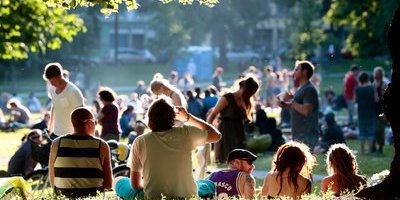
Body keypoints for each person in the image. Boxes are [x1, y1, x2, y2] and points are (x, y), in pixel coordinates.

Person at [114, 97, 221, 199]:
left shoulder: (140, 141)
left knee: (118, 180)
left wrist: (151, 187)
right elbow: (216, 135)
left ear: (149, 118)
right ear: (173, 118)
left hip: (153, 197)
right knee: (207, 184)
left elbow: (136, 185)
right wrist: (188, 117)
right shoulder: (186, 133)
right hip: (188, 195)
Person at [49, 107, 113, 198]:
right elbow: (108, 184)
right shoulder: (101, 145)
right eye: (95, 122)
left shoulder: (57, 143)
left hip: (63, 197)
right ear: (90, 123)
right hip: (92, 198)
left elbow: (53, 182)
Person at [207, 76, 259, 163]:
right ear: (246, 89)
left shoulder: (246, 101)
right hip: (225, 131)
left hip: (238, 132)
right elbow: (213, 114)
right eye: (251, 92)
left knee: (240, 160)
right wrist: (208, 132)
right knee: (228, 160)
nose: (251, 95)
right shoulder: (227, 98)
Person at [279, 60, 319, 149]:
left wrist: (291, 100)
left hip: (306, 135)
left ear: (304, 72)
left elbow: (306, 111)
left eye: (296, 70)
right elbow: (296, 106)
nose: (294, 72)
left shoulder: (309, 89)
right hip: (299, 134)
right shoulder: (301, 89)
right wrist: (285, 105)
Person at [43, 62, 84, 139]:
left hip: (71, 135)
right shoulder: (52, 89)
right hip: (56, 133)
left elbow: (82, 115)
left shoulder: (73, 92)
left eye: (53, 81)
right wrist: (50, 128)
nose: (51, 84)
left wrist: (79, 135)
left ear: (60, 76)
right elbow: (54, 108)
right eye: (50, 82)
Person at [355, 71, 377, 154]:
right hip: (371, 112)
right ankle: (370, 150)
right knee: (371, 133)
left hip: (361, 113)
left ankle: (362, 150)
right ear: (367, 79)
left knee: (362, 133)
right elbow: (376, 99)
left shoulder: (357, 89)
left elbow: (355, 100)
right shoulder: (372, 88)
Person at [373, 66, 388, 154]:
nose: (375, 75)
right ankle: (374, 147)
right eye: (375, 73)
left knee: (380, 129)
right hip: (374, 110)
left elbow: (381, 100)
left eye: (377, 74)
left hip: (381, 110)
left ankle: (380, 147)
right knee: (374, 129)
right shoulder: (374, 83)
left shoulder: (384, 84)